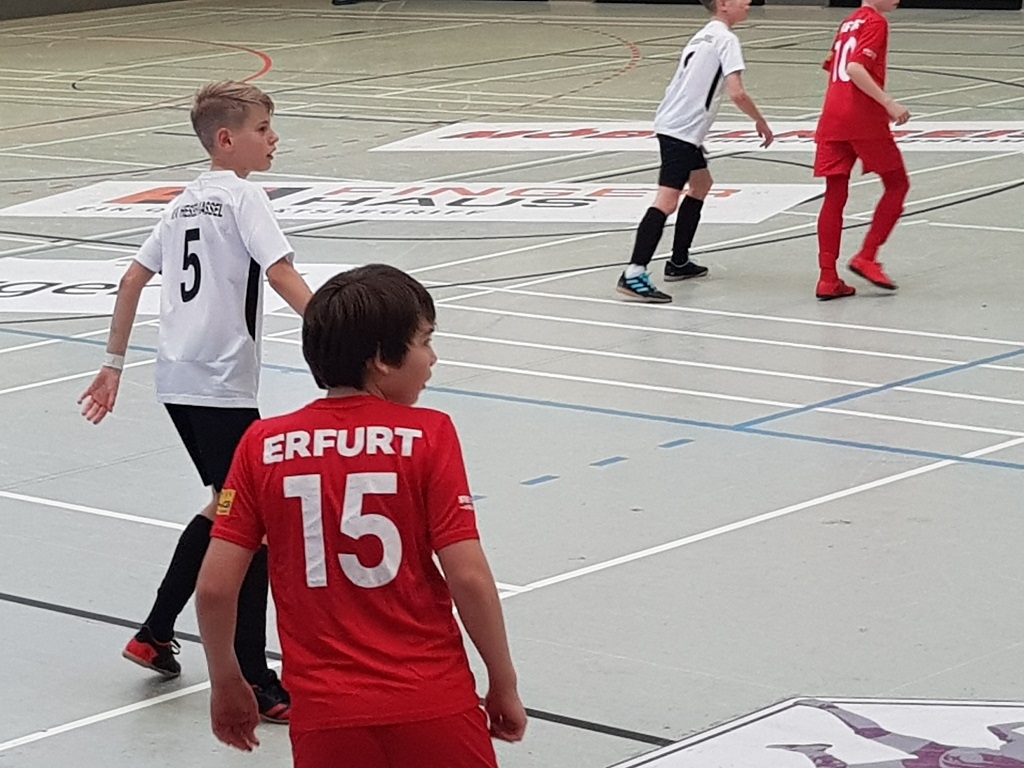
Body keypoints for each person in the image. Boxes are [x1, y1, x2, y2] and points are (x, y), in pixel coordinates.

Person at [195, 264, 527, 768]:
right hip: (431, 699)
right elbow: (468, 576)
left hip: (327, 717)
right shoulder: (430, 434)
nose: (433, 358)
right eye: (425, 341)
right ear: (382, 360)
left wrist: (226, 681)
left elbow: (215, 589)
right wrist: (503, 681)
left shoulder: (262, 445)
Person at [77, 80, 313, 723]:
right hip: (220, 383)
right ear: (227, 139)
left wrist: (112, 365)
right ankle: (256, 679)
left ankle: (155, 633)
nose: (274, 138)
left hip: (179, 381)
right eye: (263, 128)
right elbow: (281, 273)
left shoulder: (183, 203)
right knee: (251, 525)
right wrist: (339, 328)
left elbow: (133, 278)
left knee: (225, 505)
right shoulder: (243, 197)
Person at [616, 0, 773, 304]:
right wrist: (760, 121)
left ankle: (678, 262)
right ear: (723, 4)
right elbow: (737, 92)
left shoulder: (703, 35)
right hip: (681, 130)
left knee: (701, 184)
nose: (748, 2)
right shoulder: (726, 39)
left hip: (678, 124)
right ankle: (634, 273)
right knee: (666, 200)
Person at [813, 0, 911, 300]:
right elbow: (854, 67)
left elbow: (832, 65)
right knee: (897, 184)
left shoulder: (848, 22)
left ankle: (827, 277)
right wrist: (888, 103)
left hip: (832, 115)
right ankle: (867, 256)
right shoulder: (876, 22)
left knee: (835, 194)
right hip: (862, 117)